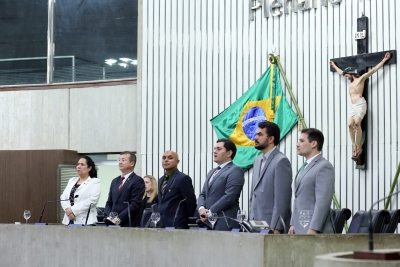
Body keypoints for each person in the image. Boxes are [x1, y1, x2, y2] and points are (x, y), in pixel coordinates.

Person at [330, 53, 390, 160]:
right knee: (349, 125)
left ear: (352, 73)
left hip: (360, 104)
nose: (346, 75)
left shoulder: (361, 79)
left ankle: (359, 146)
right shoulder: (350, 82)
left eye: (347, 74)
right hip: (353, 106)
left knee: (357, 124)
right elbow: (340, 72)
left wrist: (384, 60)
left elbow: (374, 70)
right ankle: (355, 145)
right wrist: (334, 65)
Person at [288, 128, 335, 234]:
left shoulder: (324, 166)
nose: (297, 144)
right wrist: (293, 223)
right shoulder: (305, 167)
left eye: (301, 141)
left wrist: (314, 228)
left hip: (313, 230)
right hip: (299, 227)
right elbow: (298, 199)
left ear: (313, 143)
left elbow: (323, 201)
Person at [249, 121, 292, 234]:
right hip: (254, 223)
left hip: (271, 226)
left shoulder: (281, 161)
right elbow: (254, 194)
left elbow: (282, 199)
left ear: (271, 139)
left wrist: (276, 228)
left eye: (260, 134)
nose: (255, 137)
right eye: (256, 134)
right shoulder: (257, 160)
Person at [197, 138, 245, 231]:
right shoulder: (211, 172)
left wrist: (210, 213)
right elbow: (203, 194)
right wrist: (201, 209)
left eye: (219, 149)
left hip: (224, 222)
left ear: (229, 153)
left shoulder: (235, 170)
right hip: (207, 223)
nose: (214, 151)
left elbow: (230, 196)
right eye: (214, 149)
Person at [158, 150, 197, 229]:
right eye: (164, 158)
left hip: (177, 224)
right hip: (162, 224)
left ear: (177, 162)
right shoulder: (161, 180)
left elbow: (191, 202)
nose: (166, 160)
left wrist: (186, 221)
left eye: (170, 158)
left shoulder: (182, 178)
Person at [104, 151, 145, 227]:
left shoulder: (137, 180)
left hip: (127, 223)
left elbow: (135, 204)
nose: (120, 162)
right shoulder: (115, 181)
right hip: (112, 224)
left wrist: (119, 219)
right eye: (119, 160)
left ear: (132, 163)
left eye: (123, 160)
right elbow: (109, 202)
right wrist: (109, 217)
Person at [60, 155, 101, 225]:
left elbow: (92, 200)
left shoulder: (94, 182)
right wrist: (68, 211)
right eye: (78, 164)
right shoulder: (72, 180)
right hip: (69, 219)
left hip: (85, 221)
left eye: (82, 164)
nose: (78, 166)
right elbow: (63, 197)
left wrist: (72, 210)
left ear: (89, 168)